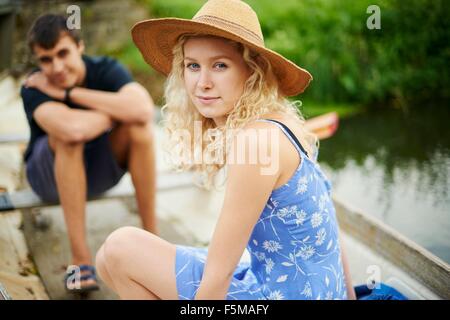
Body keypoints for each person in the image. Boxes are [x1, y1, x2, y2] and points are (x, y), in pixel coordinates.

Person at [95, 0, 354, 300]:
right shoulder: (284, 122)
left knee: (119, 248)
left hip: (279, 296)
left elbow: (219, 276)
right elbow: (335, 231)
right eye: (193, 65)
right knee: (105, 260)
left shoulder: (256, 142)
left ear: (252, 71)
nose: (202, 83)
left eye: (219, 65)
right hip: (301, 287)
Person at [21, 14, 157, 293]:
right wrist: (115, 112)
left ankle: (153, 240)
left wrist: (69, 94)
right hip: (47, 179)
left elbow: (143, 111)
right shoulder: (35, 85)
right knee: (68, 139)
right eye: (46, 59)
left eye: (62, 53)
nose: (56, 67)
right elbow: (72, 130)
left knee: (139, 130)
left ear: (80, 46)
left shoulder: (104, 69)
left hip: (97, 171)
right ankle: (80, 262)